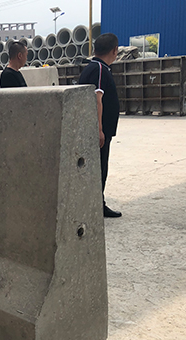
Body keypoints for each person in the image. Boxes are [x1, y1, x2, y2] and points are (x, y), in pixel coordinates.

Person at [79, 33, 122, 218]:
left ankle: (95, 203)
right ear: (114, 50)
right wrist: (99, 130)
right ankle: (98, 205)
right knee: (99, 169)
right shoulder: (99, 69)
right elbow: (97, 99)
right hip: (98, 131)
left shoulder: (93, 67)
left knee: (96, 168)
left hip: (96, 129)